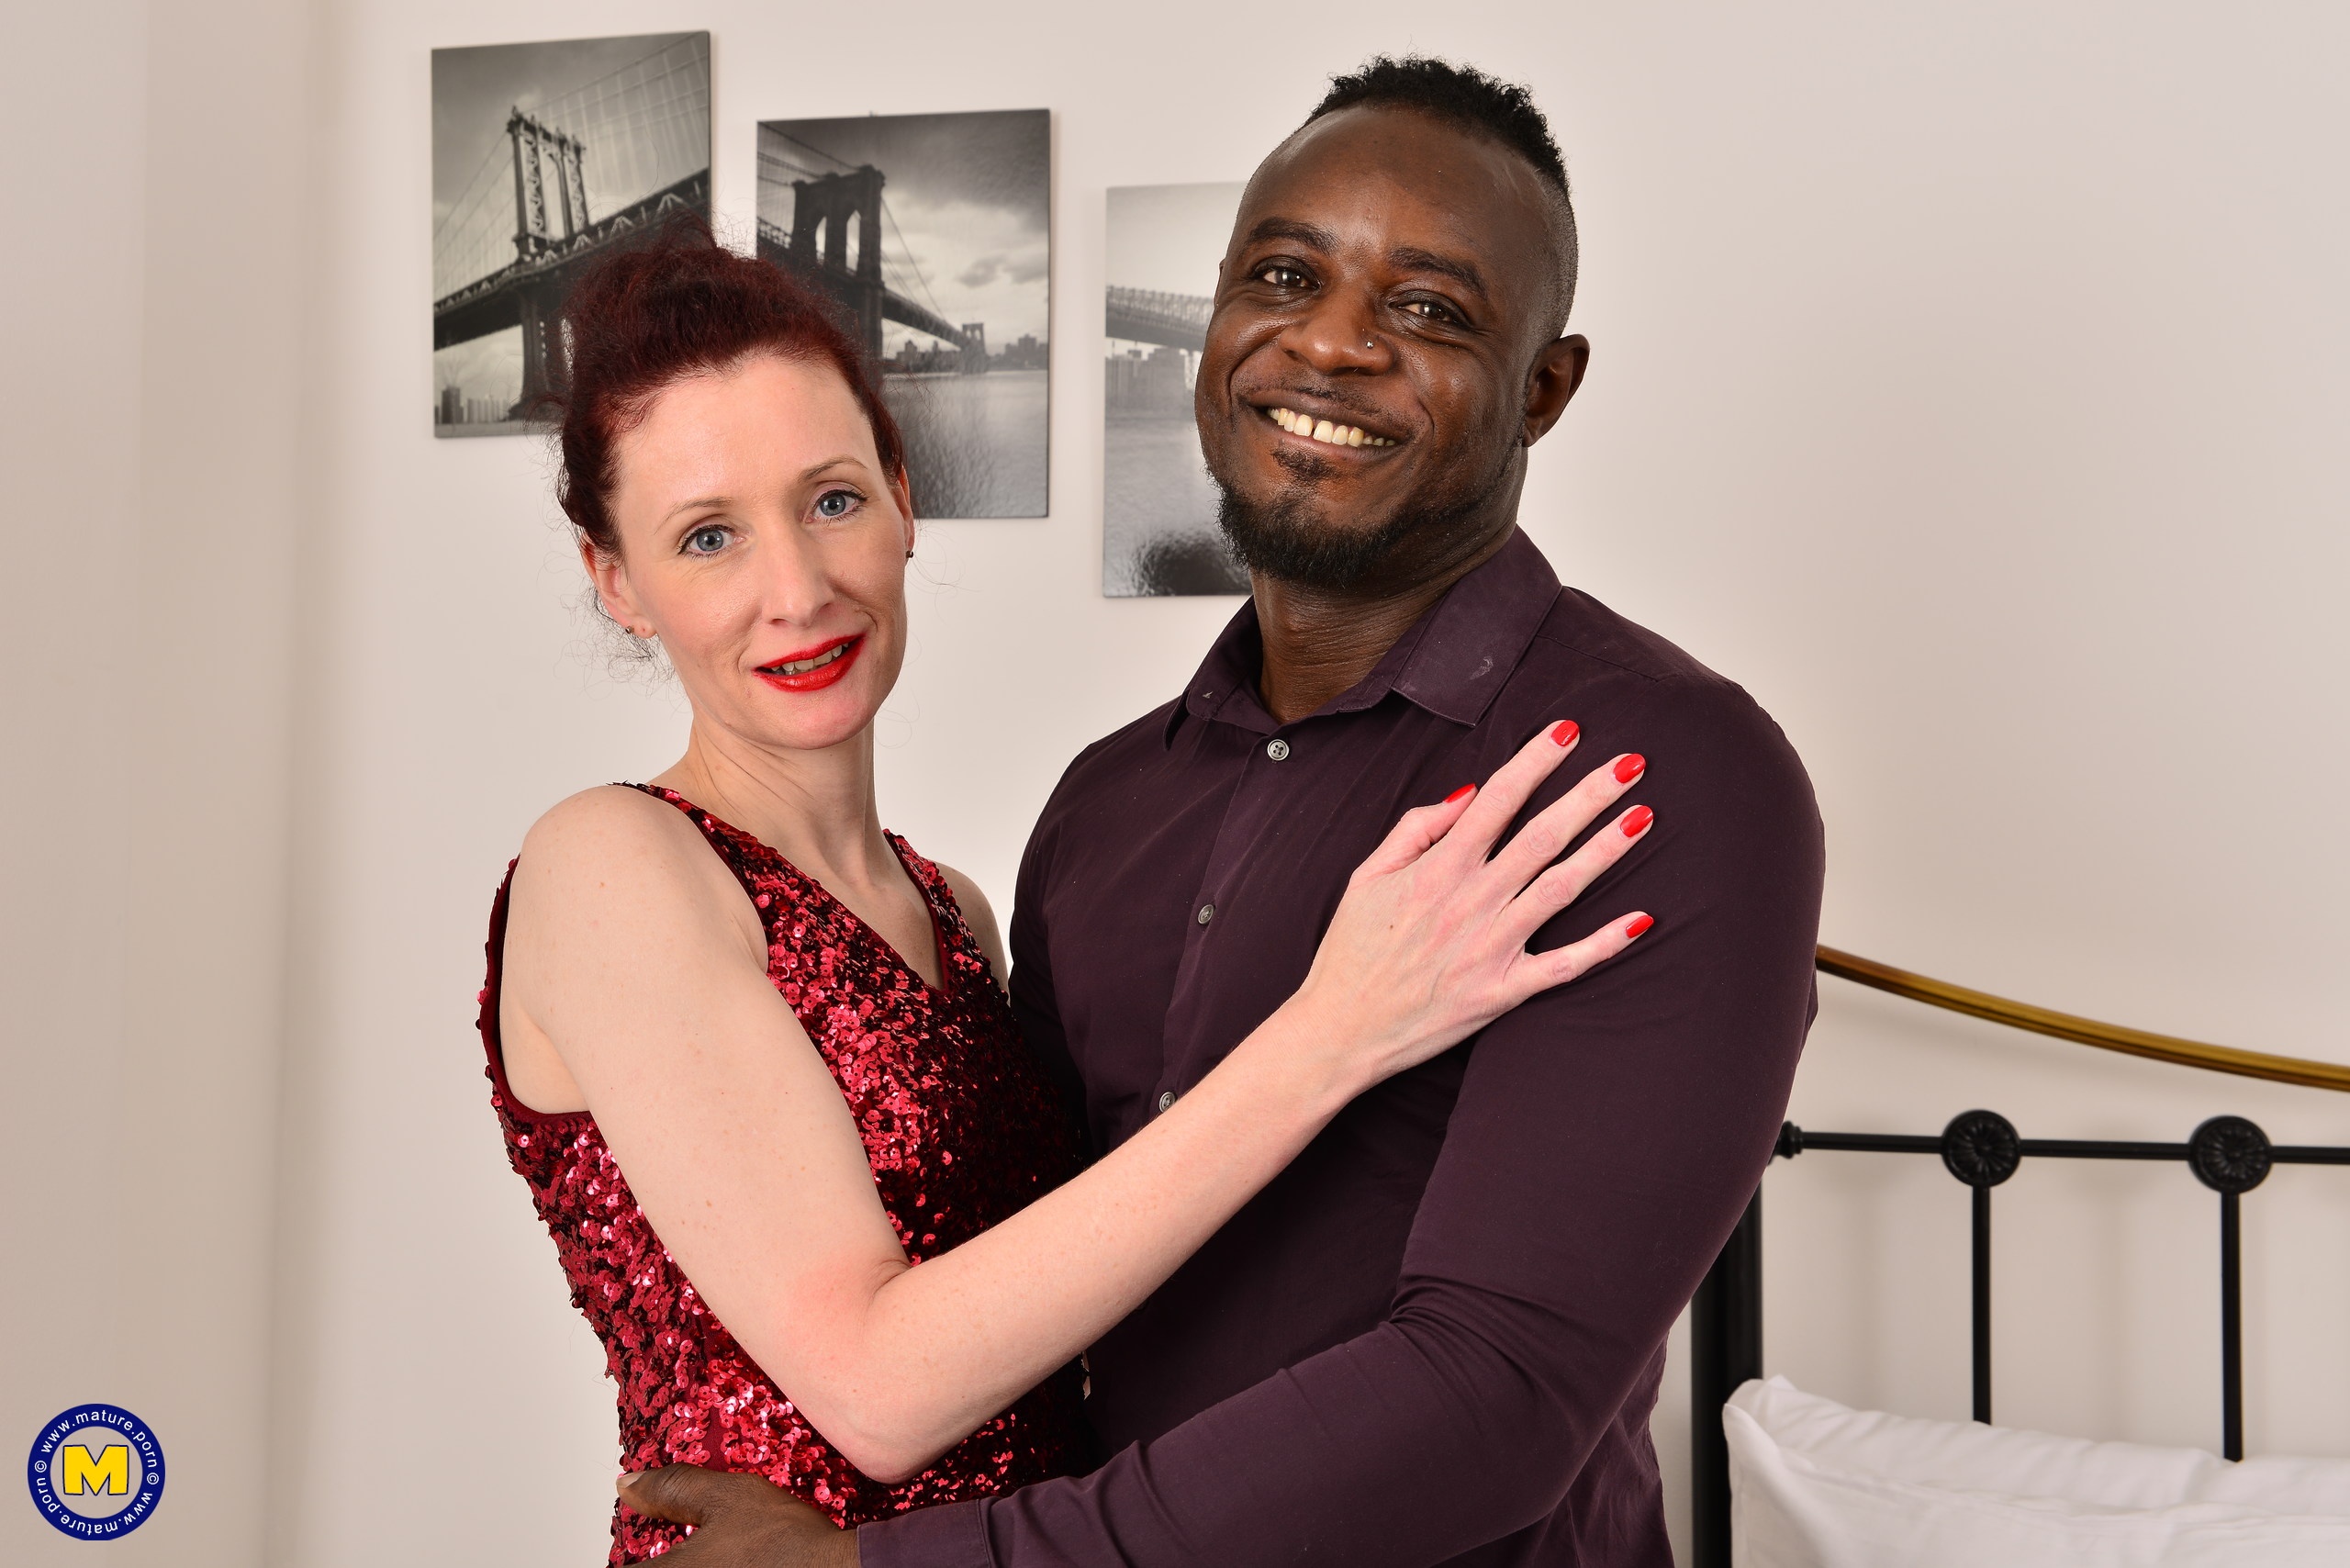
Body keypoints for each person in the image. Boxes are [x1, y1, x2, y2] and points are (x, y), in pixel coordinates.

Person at [617, 56, 1826, 1568]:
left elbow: (1496, 1402)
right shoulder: (1104, 806)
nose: (1331, 341)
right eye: (1284, 277)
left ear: (1545, 388)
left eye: (1429, 308)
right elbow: (1012, 1292)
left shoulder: (1649, 769)